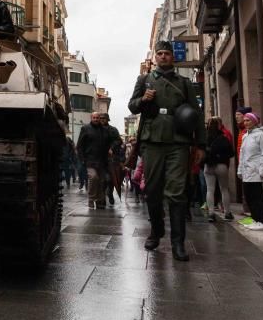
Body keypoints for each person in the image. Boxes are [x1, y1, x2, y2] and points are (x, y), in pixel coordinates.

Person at [128, 40, 206, 261]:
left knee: (176, 192)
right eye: (159, 53)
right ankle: (156, 230)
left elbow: (196, 114)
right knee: (152, 190)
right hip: (151, 141)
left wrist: (200, 144)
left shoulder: (183, 83)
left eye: (167, 54)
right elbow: (132, 106)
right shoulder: (144, 80)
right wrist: (143, 99)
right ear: (155, 57)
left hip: (178, 142)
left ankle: (178, 243)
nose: (163, 57)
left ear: (173, 57)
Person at [238, 111, 263, 230]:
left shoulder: (260, 135)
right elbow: (242, 154)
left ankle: (262, 221)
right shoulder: (245, 135)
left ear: (254, 122)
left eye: (248, 120)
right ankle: (255, 219)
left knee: (258, 197)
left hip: (257, 172)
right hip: (247, 173)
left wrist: (262, 169)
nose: (246, 123)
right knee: (249, 196)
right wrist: (240, 169)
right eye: (245, 120)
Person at [76, 112, 114, 209]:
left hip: (102, 160)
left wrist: (111, 148)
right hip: (90, 160)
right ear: (91, 118)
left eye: (97, 117)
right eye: (94, 117)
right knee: (94, 178)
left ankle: (99, 201)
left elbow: (111, 141)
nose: (96, 119)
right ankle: (91, 199)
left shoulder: (104, 130)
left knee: (101, 181)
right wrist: (82, 159)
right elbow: (79, 146)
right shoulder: (85, 128)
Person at [204, 117, 235, 222]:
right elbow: (231, 153)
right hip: (222, 165)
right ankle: (227, 213)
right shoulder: (224, 138)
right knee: (224, 189)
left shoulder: (205, 138)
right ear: (219, 126)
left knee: (210, 190)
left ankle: (211, 213)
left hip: (209, 166)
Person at [101, 113, 124, 205]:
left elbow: (119, 140)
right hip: (99, 159)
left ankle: (109, 193)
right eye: (101, 118)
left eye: (104, 118)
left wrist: (112, 148)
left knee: (111, 179)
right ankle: (102, 199)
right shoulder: (96, 129)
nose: (102, 120)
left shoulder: (113, 130)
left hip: (112, 159)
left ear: (107, 119)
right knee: (102, 180)